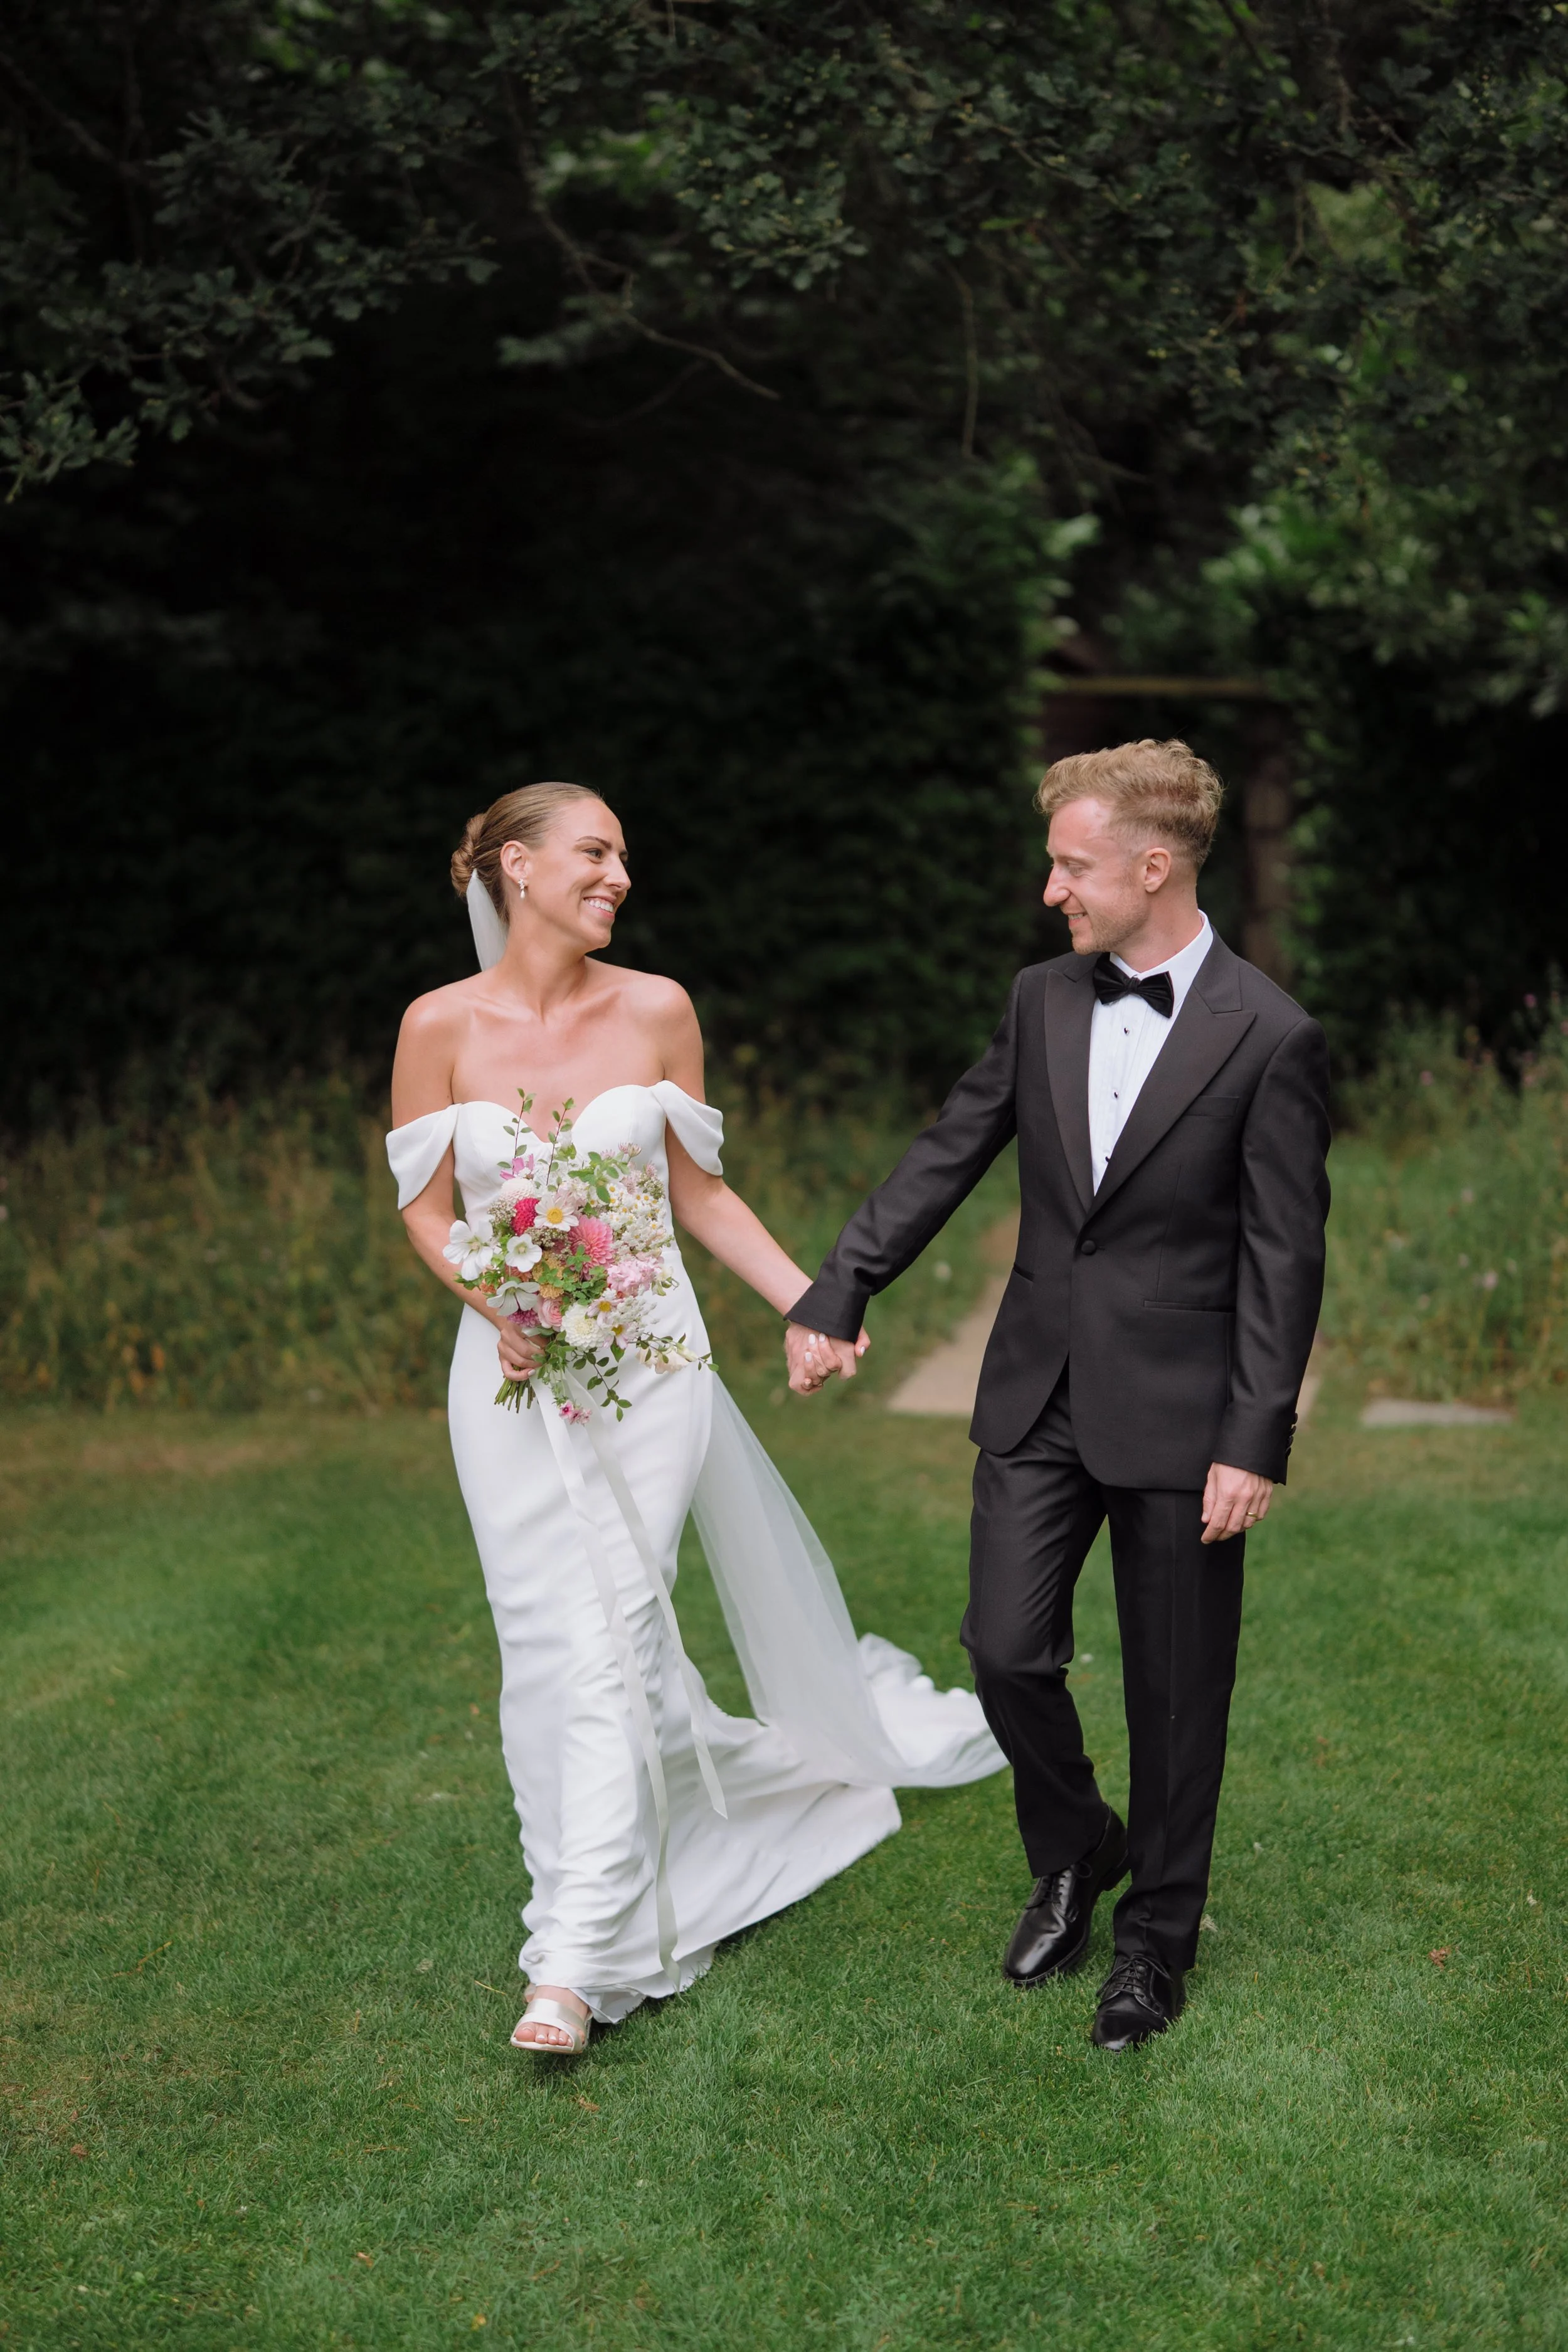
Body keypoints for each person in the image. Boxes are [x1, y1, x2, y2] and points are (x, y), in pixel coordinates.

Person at [386, 781, 1004, 2057]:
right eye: (595, 853)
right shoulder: (435, 1024)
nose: (619, 875)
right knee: (542, 1638)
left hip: (652, 1363)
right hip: (505, 1376)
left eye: (625, 858)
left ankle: (572, 1955)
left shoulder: (657, 1010)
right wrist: (494, 1295)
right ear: (512, 867)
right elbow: (426, 1209)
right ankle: (588, 1876)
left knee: (614, 1622)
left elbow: (697, 1196)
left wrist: (813, 1302)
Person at [787, 740, 1330, 2051]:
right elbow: (950, 1149)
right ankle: (1077, 1843)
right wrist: (838, 1286)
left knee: (1175, 1691)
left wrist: (1251, 1437)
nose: (1050, 892)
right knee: (1002, 1647)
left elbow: (1281, 1257)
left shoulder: (1268, 1036)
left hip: (1182, 1417)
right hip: (1035, 1389)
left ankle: (1154, 1946)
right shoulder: (1039, 1001)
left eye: (1070, 865)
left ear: (1153, 868)